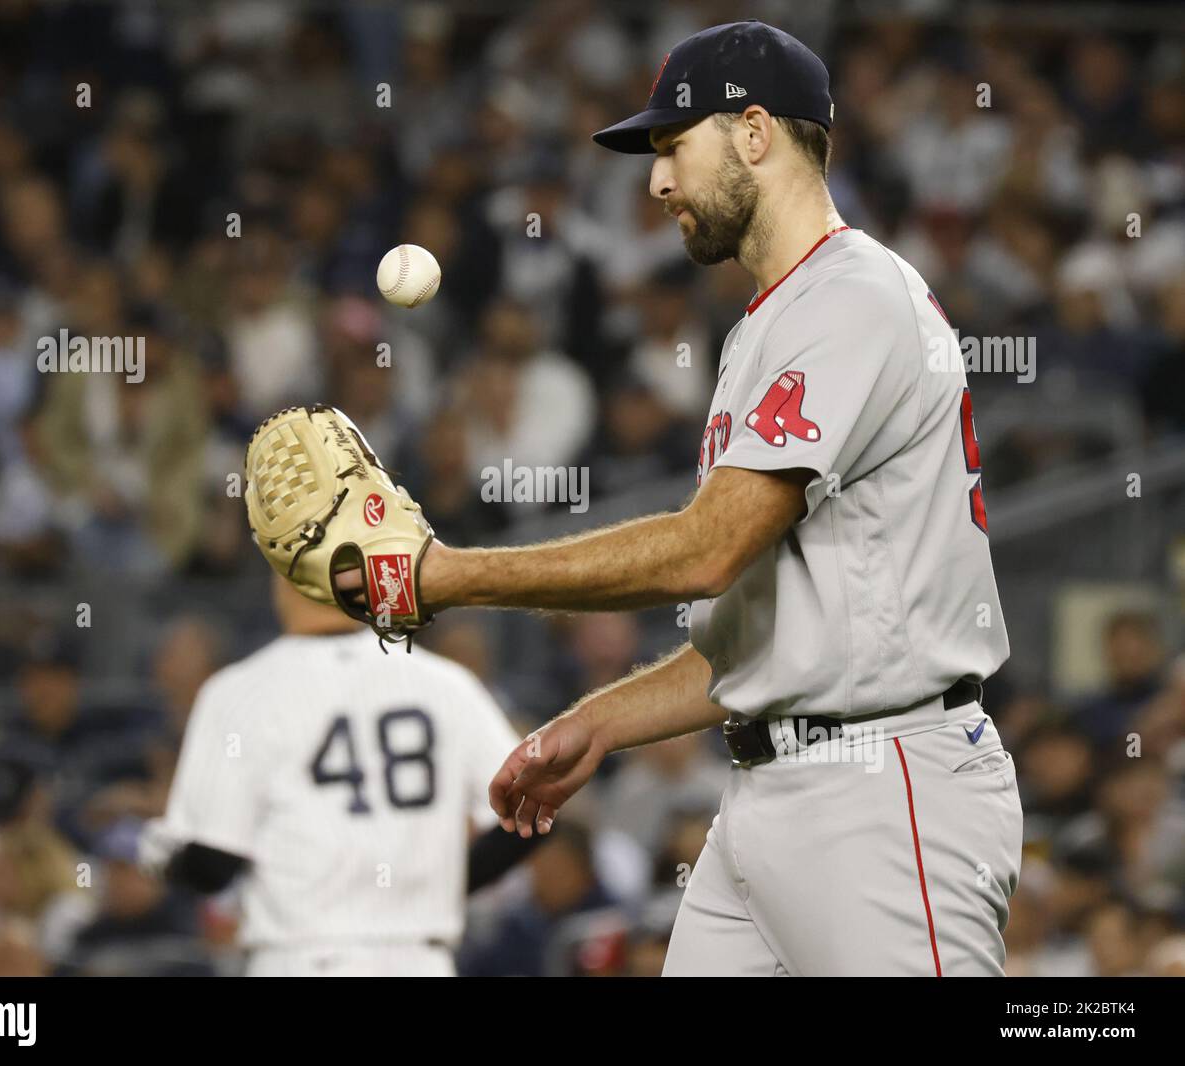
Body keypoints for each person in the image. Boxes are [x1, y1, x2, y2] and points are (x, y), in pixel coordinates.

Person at [351, 20, 1023, 976]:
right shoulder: (765, 327)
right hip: (767, 795)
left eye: (674, 146)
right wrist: (600, 722)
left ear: (756, 134)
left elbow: (704, 549)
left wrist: (450, 576)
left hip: (883, 788)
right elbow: (763, 635)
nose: (657, 181)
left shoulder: (855, 297)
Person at [141, 575, 530, 976]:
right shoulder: (446, 683)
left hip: (302, 958)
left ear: (283, 576)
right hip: (419, 959)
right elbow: (529, 812)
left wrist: (160, 855)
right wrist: (447, 883)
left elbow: (212, 866)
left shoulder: (241, 690)